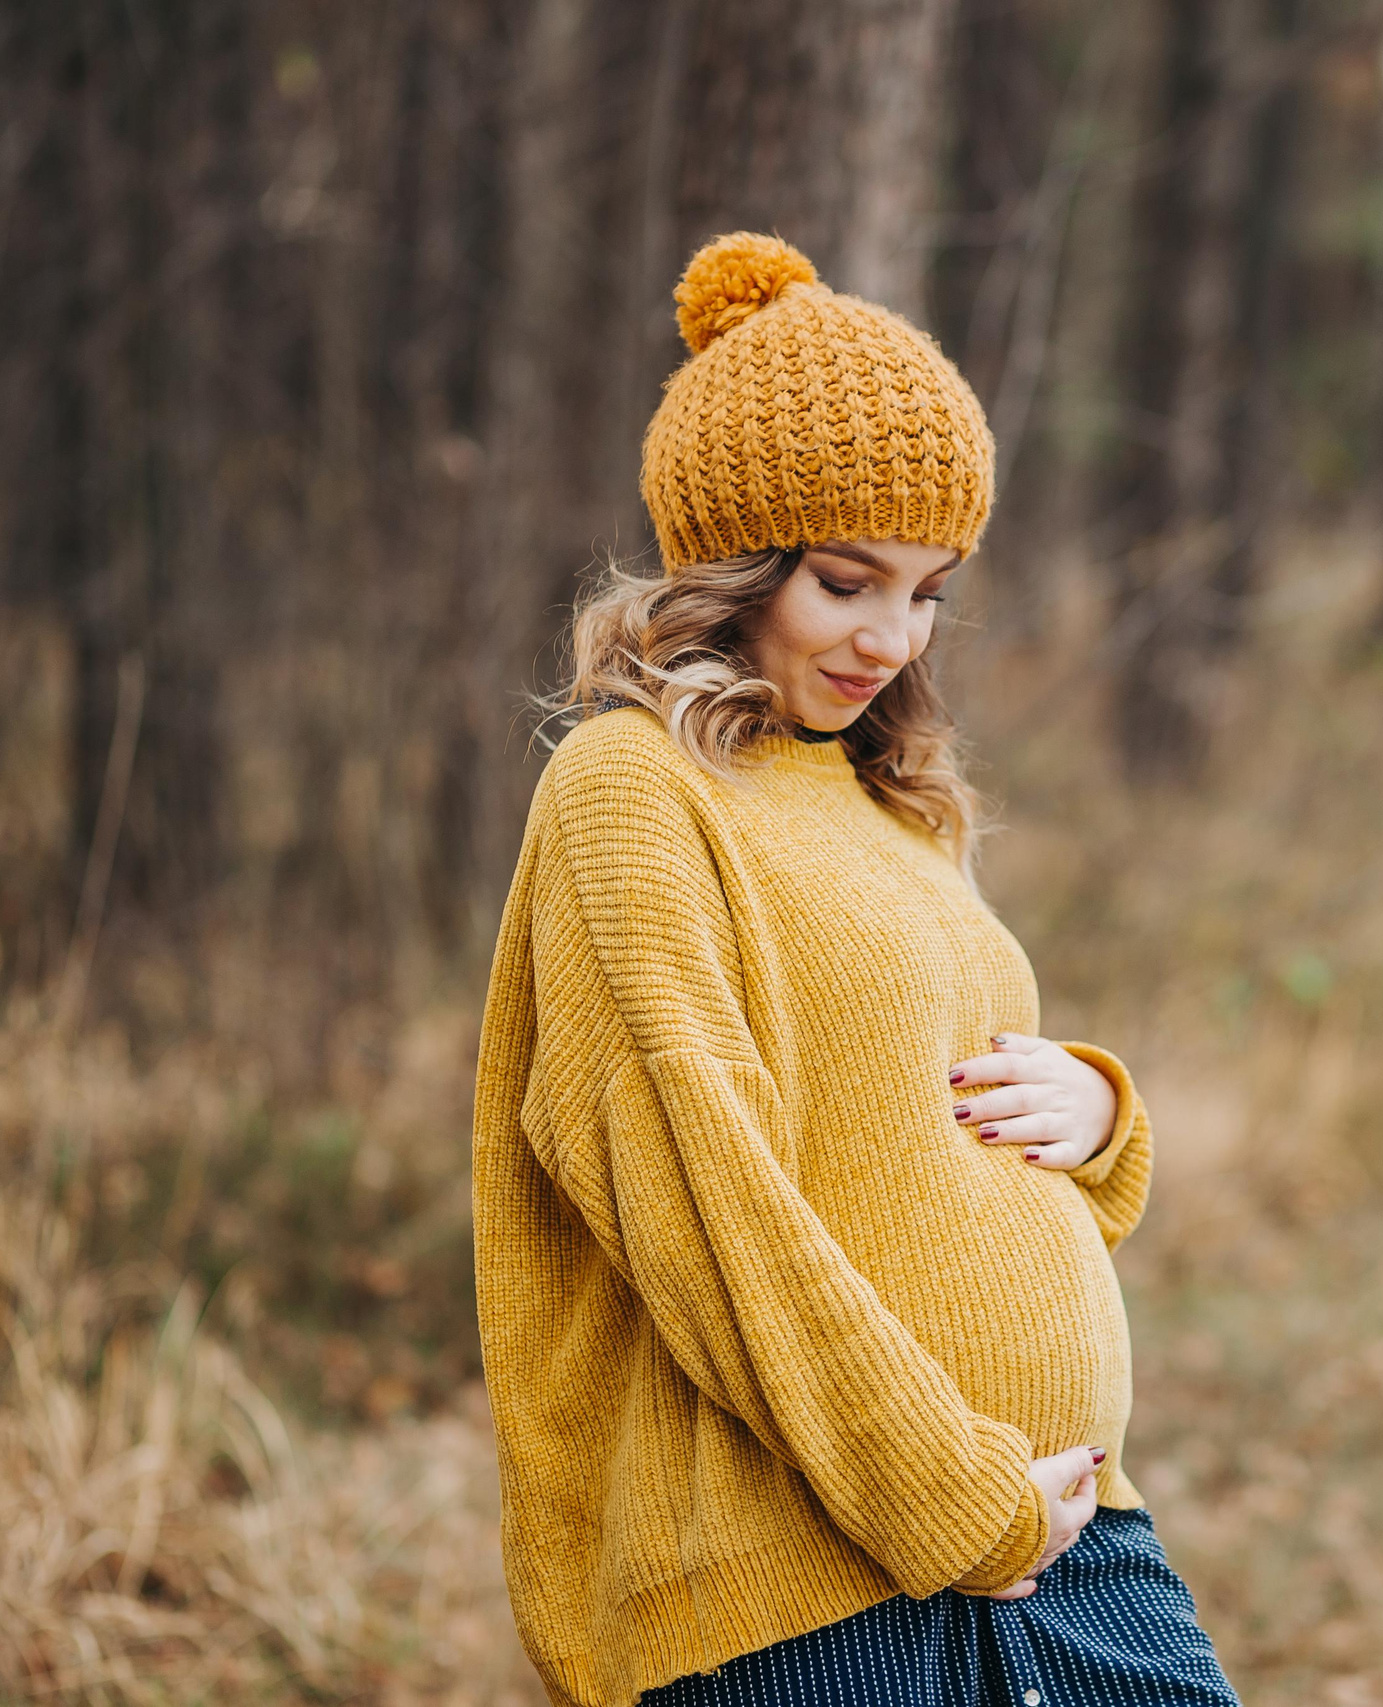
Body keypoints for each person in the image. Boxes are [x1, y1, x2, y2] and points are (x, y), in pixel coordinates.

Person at [471, 232, 1241, 1707]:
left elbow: (905, 1117)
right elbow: (708, 1207)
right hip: (816, 1578)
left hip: (1063, 1535)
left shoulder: (883, 798)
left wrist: (1093, 1119)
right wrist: (950, 1501)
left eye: (933, 591)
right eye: (846, 581)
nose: (894, 637)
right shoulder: (633, 796)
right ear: (741, 562)